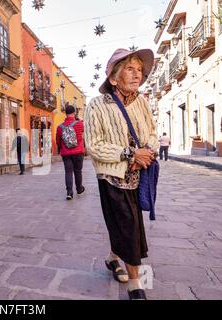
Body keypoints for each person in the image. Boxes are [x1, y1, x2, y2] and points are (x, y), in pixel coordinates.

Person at [84, 48, 159, 300]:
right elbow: (94, 144)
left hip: (139, 175)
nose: (137, 74)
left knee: (127, 222)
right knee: (128, 224)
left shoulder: (142, 102)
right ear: (114, 78)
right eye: (130, 68)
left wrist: (147, 152)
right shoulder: (96, 105)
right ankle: (135, 284)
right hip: (112, 176)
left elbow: (151, 133)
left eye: (139, 70)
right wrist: (130, 154)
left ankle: (112, 258)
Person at [56, 103, 85, 200]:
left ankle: (69, 192)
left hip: (66, 153)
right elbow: (85, 130)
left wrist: (61, 149)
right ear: (74, 113)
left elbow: (58, 141)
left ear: (65, 113)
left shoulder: (60, 127)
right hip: (78, 152)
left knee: (68, 172)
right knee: (78, 171)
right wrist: (81, 120)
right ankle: (79, 188)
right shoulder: (79, 124)